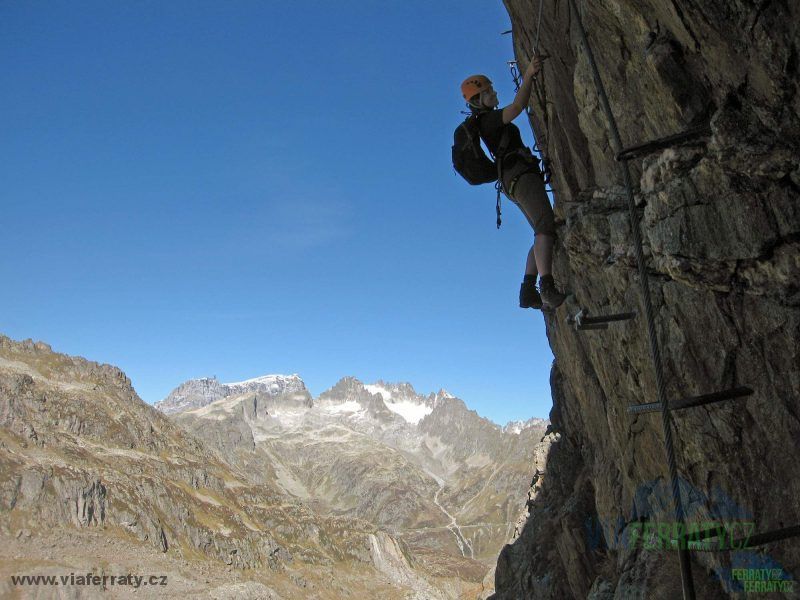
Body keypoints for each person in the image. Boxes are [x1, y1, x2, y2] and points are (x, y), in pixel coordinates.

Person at [460, 57, 566, 310]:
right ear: (478, 99)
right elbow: (518, 107)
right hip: (520, 174)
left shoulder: (486, 122)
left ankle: (528, 290)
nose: (494, 93)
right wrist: (528, 75)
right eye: (489, 91)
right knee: (545, 227)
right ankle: (546, 288)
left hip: (513, 179)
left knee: (543, 230)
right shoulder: (488, 120)